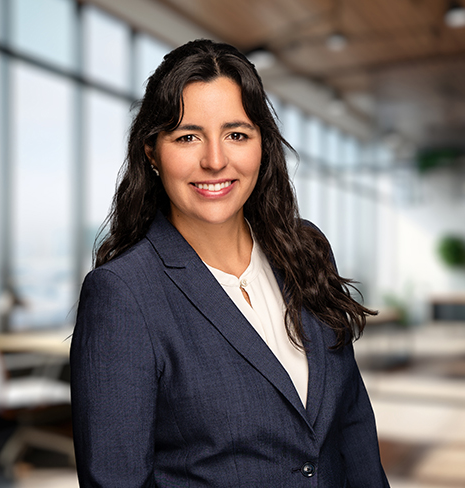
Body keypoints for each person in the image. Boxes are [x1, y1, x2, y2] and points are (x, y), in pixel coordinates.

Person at [70, 39, 389, 487]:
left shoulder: (306, 248)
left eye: (236, 134)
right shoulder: (123, 293)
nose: (215, 160)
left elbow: (352, 424)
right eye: (187, 137)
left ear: (263, 145)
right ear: (152, 153)